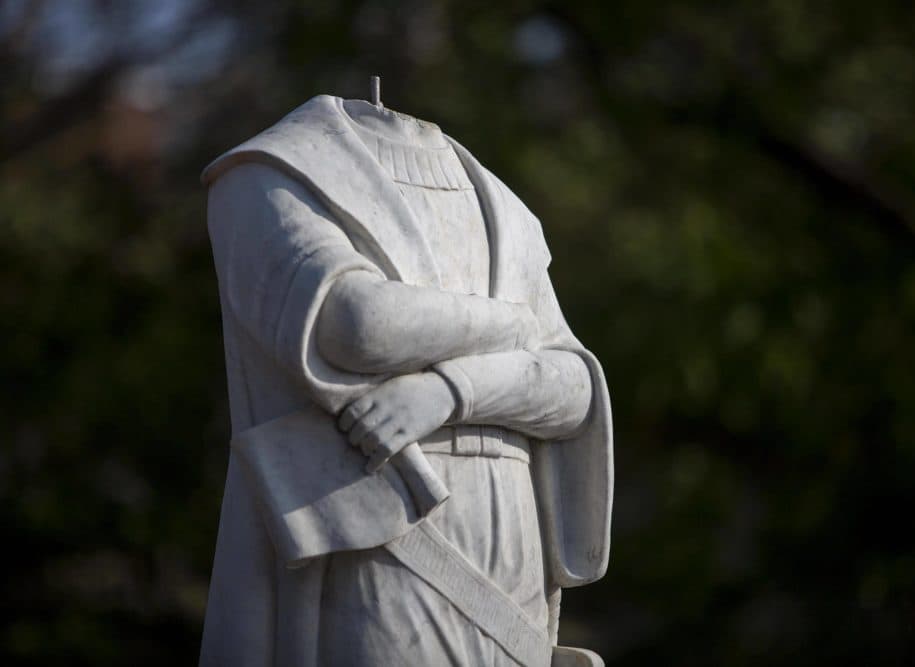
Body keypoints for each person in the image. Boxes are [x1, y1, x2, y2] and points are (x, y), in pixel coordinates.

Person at [199, 95, 612, 666]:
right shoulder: (271, 172)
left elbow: (574, 389)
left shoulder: (503, 208)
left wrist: (444, 393)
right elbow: (358, 324)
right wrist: (515, 325)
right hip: (383, 534)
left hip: (516, 546)